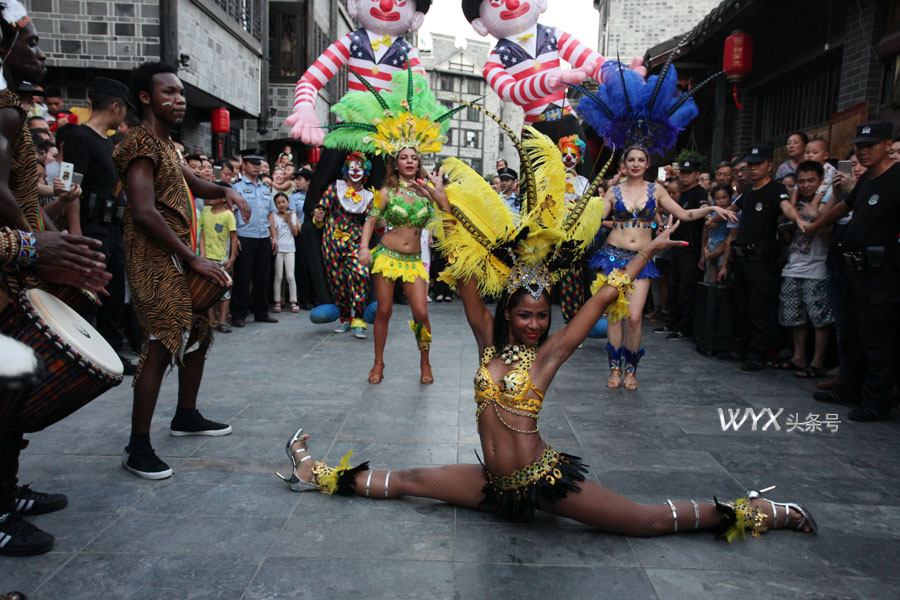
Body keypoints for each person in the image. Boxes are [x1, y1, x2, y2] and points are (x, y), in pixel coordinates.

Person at [274, 134, 817, 542]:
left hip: (541, 479)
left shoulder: (550, 354)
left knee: (643, 521)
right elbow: (465, 278)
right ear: (508, 314)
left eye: (541, 316)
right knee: (412, 479)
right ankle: (310, 470)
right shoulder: (488, 342)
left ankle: (761, 511)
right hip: (491, 482)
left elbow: (602, 300)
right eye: (526, 316)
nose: (536, 324)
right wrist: (445, 210)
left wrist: (647, 253)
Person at [0, 2, 114, 556]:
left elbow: (18, 200)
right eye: (31, 42)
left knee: (9, 394)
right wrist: (32, 246)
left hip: (12, 272)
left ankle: (6, 491)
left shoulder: (9, 111)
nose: (41, 54)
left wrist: (55, 247)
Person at [113, 62, 250, 479]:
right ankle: (137, 447)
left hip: (175, 256)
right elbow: (143, 211)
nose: (179, 100)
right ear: (145, 98)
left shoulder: (167, 146)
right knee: (159, 344)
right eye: (169, 93)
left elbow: (194, 183)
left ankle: (186, 415)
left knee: (198, 333)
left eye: (181, 93)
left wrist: (226, 190)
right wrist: (193, 258)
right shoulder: (139, 144)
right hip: (153, 260)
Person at [589, 149, 735, 389]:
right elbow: (596, 219)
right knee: (615, 316)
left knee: (634, 318)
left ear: (647, 164)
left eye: (640, 160)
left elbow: (684, 213)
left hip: (642, 258)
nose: (635, 164)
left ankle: (631, 370)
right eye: (631, 160)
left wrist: (711, 209)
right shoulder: (614, 191)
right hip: (614, 257)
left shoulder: (656, 190)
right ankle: (614, 369)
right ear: (624, 164)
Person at [803, 121, 899, 422]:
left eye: (870, 146)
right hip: (853, 268)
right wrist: (817, 225)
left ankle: (877, 399)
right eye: (859, 147)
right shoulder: (867, 179)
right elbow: (844, 207)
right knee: (850, 332)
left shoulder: (896, 178)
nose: (863, 152)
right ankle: (849, 388)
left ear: (887, 145)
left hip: (882, 273)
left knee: (877, 337)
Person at [60, 76, 134, 371]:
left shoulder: (107, 142)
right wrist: (77, 237)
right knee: (90, 296)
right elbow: (70, 188)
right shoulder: (79, 138)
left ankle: (112, 355)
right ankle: (83, 357)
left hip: (112, 227)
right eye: (124, 109)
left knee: (113, 295)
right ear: (115, 107)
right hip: (90, 229)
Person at [727, 144, 807, 372]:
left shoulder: (775, 189)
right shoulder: (749, 191)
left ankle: (757, 353)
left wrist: (798, 219)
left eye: (757, 165)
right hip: (742, 257)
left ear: (769, 165)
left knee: (759, 307)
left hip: (761, 259)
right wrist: (714, 218)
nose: (752, 169)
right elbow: (732, 207)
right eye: (750, 165)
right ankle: (740, 347)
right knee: (742, 306)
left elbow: (786, 207)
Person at [359, 146, 435, 384]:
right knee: (384, 311)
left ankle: (425, 362)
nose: (409, 161)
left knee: (421, 313)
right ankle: (378, 363)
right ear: (396, 164)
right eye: (404, 158)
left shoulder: (426, 192)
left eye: (414, 158)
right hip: (388, 257)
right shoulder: (386, 192)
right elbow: (370, 221)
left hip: (413, 261)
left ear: (419, 163)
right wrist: (363, 248)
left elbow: (444, 214)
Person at [776, 160, 834, 378]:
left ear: (821, 181)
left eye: (811, 181)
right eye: (801, 181)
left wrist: (815, 216)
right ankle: (798, 357)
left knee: (820, 318)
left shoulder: (826, 202)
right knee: (794, 316)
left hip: (817, 267)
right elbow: (787, 237)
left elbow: (828, 236)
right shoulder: (796, 204)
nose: (806, 185)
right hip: (793, 266)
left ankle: (817, 361)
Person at [314, 153, 374, 337]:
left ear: (365, 171)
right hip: (331, 243)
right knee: (337, 282)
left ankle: (359, 318)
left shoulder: (369, 196)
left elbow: (372, 221)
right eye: (352, 166)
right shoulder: (334, 188)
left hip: (355, 242)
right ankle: (346, 318)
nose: (355, 170)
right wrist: (318, 217)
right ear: (346, 169)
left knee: (361, 275)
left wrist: (380, 223)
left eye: (360, 167)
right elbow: (320, 212)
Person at [656, 158, 710, 340]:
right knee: (674, 286)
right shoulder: (683, 193)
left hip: (691, 248)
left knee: (687, 288)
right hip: (677, 247)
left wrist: (708, 214)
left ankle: (684, 328)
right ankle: (672, 323)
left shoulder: (699, 192)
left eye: (689, 173)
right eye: (683, 173)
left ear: (697, 174)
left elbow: (704, 207)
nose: (685, 176)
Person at [230, 148, 278, 327]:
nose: (257, 167)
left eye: (259, 163)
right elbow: (231, 213)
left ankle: (261, 312)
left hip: (263, 237)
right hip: (245, 236)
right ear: (244, 164)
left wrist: (274, 237)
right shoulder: (236, 187)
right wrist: (235, 238)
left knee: (262, 277)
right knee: (242, 278)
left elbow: (270, 214)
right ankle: (238, 315)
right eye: (253, 163)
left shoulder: (265, 188)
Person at [200, 189, 238, 333]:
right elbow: (202, 232)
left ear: (223, 199)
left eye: (215, 194)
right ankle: (211, 320)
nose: (210, 197)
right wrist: (202, 253)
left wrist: (232, 258)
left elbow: (234, 237)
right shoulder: (206, 211)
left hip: (222, 258)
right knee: (208, 290)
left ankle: (223, 320)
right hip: (207, 258)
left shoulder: (228, 215)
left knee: (224, 291)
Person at [269, 191, 300, 313]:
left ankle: (293, 301)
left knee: (290, 276)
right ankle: (277, 301)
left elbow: (295, 233)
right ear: (275, 204)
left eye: (283, 202)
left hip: (290, 248)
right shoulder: (273, 216)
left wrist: (290, 220)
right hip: (279, 248)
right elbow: (273, 232)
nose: (281, 204)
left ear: (288, 202)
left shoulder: (293, 215)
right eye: (278, 203)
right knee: (278, 276)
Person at [700, 184, 733, 283]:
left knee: (721, 279)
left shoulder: (732, 214)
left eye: (724, 197)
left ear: (730, 198)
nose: (721, 201)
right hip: (711, 247)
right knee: (711, 280)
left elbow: (731, 235)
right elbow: (709, 232)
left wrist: (718, 251)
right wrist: (705, 249)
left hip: (724, 250)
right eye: (718, 198)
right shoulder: (713, 214)